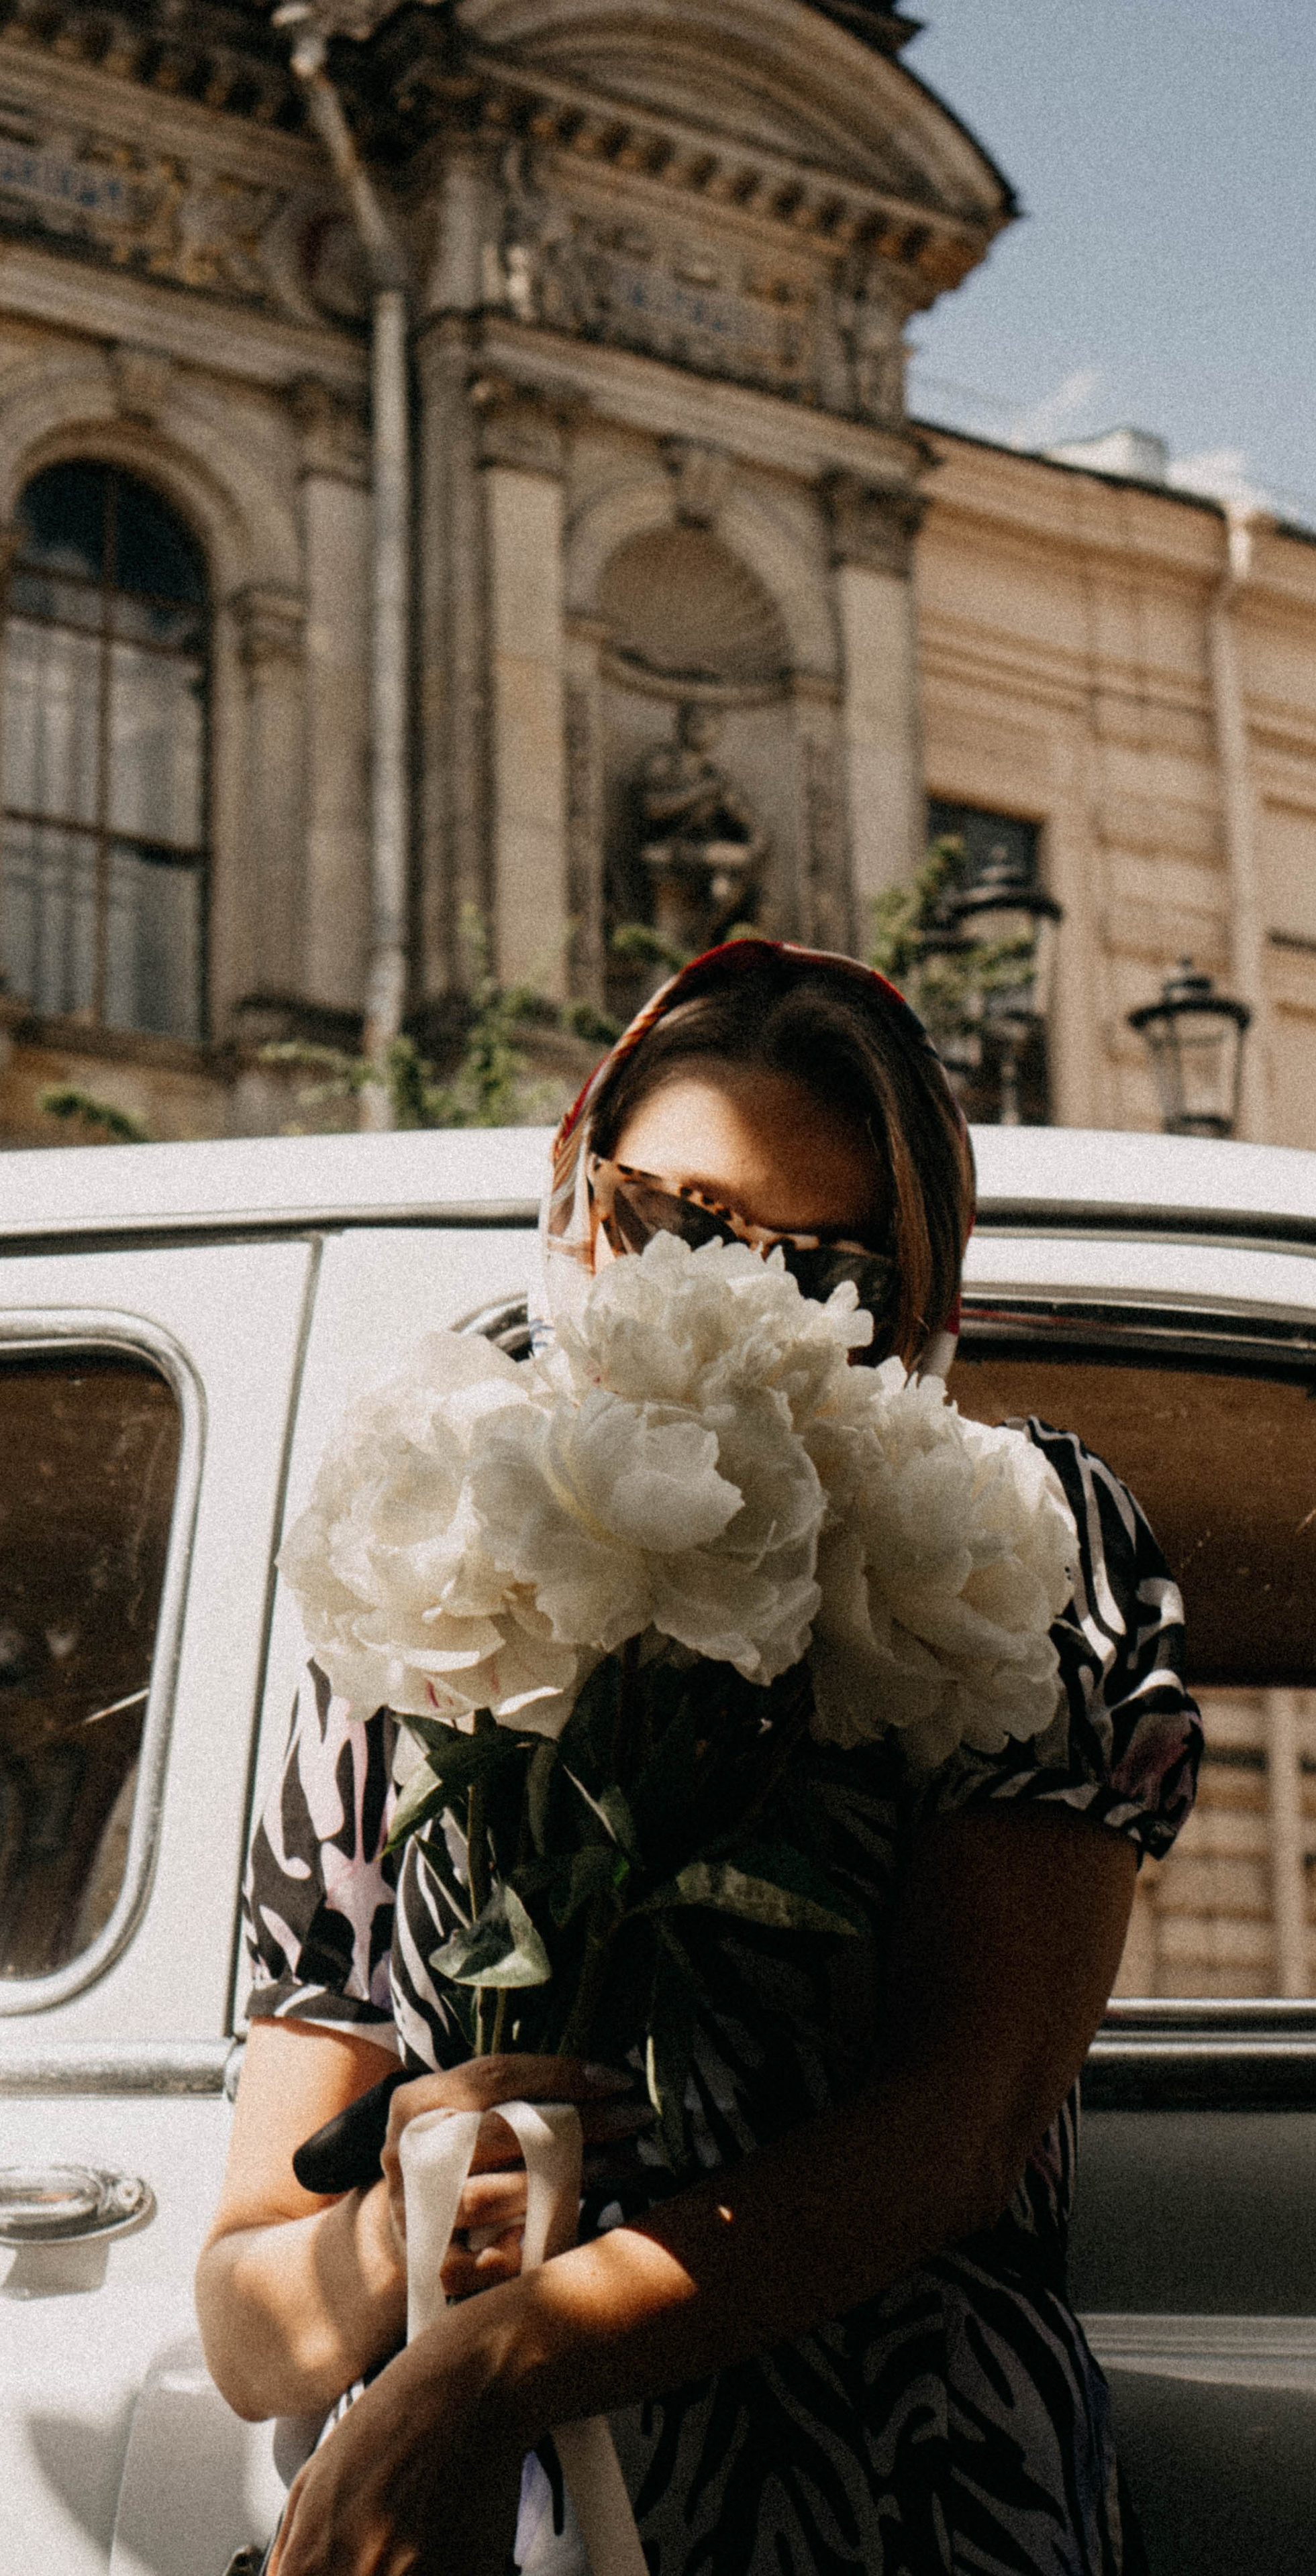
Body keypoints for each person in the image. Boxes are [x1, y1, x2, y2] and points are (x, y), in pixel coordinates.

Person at [197, 939, 1204, 2576]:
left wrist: (479, 2377)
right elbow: (249, 2324)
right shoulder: (429, 1547)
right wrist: (406, 2232)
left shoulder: (1011, 1540)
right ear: (578, 1195)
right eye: (673, 1223)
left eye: (828, 1269)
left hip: (892, 2504)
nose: (731, 1298)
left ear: (919, 1290)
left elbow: (965, 2127)